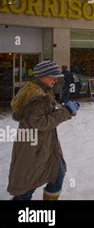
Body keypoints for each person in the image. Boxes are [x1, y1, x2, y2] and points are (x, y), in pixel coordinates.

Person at [8, 60, 80, 200]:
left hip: (45, 144)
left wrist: (65, 110)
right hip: (33, 148)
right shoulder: (37, 97)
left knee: (57, 175)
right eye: (52, 77)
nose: (55, 80)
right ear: (42, 76)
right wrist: (66, 111)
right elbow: (41, 122)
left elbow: (43, 117)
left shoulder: (41, 90)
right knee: (27, 187)